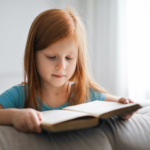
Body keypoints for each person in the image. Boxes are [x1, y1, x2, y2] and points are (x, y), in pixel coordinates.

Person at [0, 6, 136, 133]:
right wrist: (13, 116)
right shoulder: (19, 95)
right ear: (33, 55)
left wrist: (124, 107)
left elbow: (121, 104)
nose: (61, 66)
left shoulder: (84, 93)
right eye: (52, 57)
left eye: (69, 58)